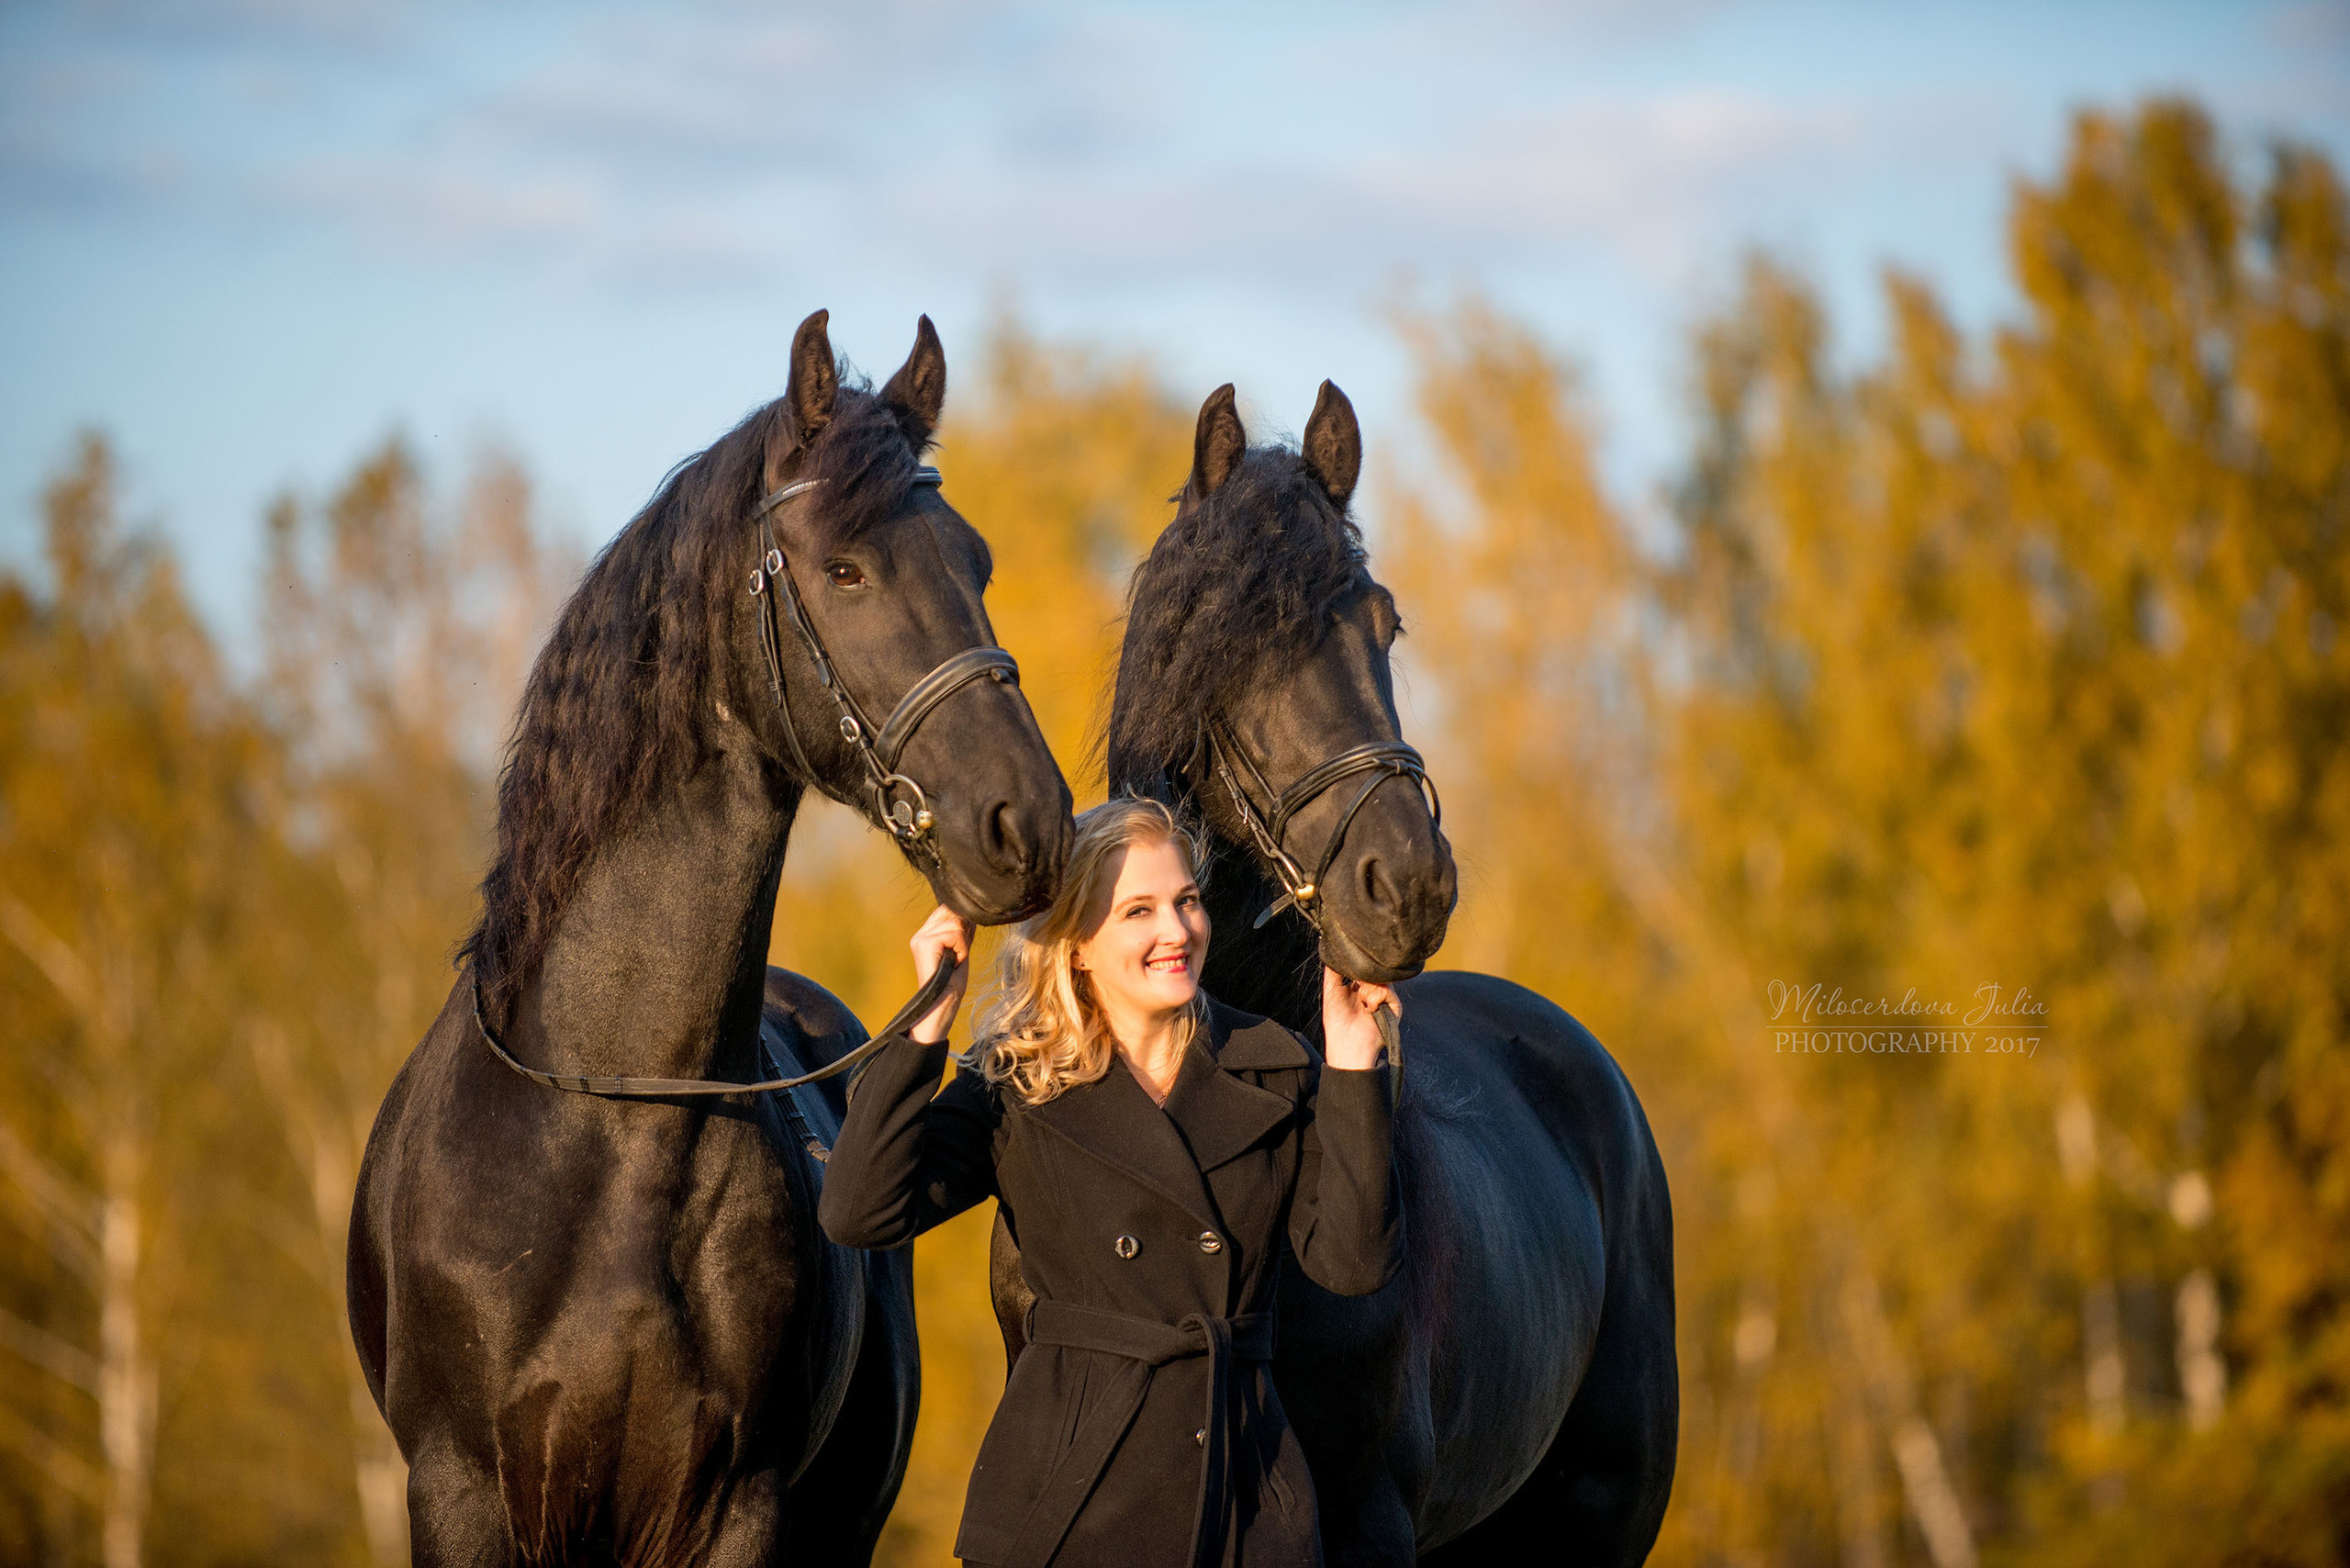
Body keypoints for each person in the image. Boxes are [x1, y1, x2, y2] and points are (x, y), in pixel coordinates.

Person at [819, 794, 1404, 1568]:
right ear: (1078, 945)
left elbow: (1354, 1264)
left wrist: (1355, 1067)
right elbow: (860, 1211)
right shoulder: (1018, 1086)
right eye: (1139, 911)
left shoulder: (1278, 1065)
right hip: (1069, 1505)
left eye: (1186, 901)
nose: (1177, 931)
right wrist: (927, 1022)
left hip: (1244, 1499)